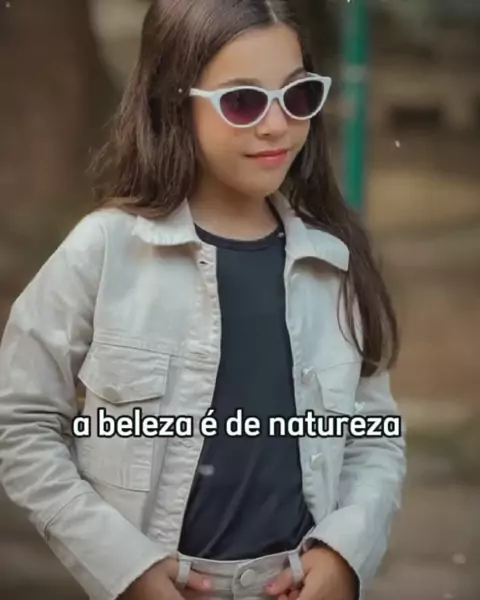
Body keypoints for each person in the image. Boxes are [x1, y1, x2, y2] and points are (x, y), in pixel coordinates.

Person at [0, 1, 406, 600]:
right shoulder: (102, 251)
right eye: (243, 101)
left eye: (296, 96)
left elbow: (372, 438)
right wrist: (127, 571)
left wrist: (344, 557)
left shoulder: (335, 263)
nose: (276, 125)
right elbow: (21, 423)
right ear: (174, 102)